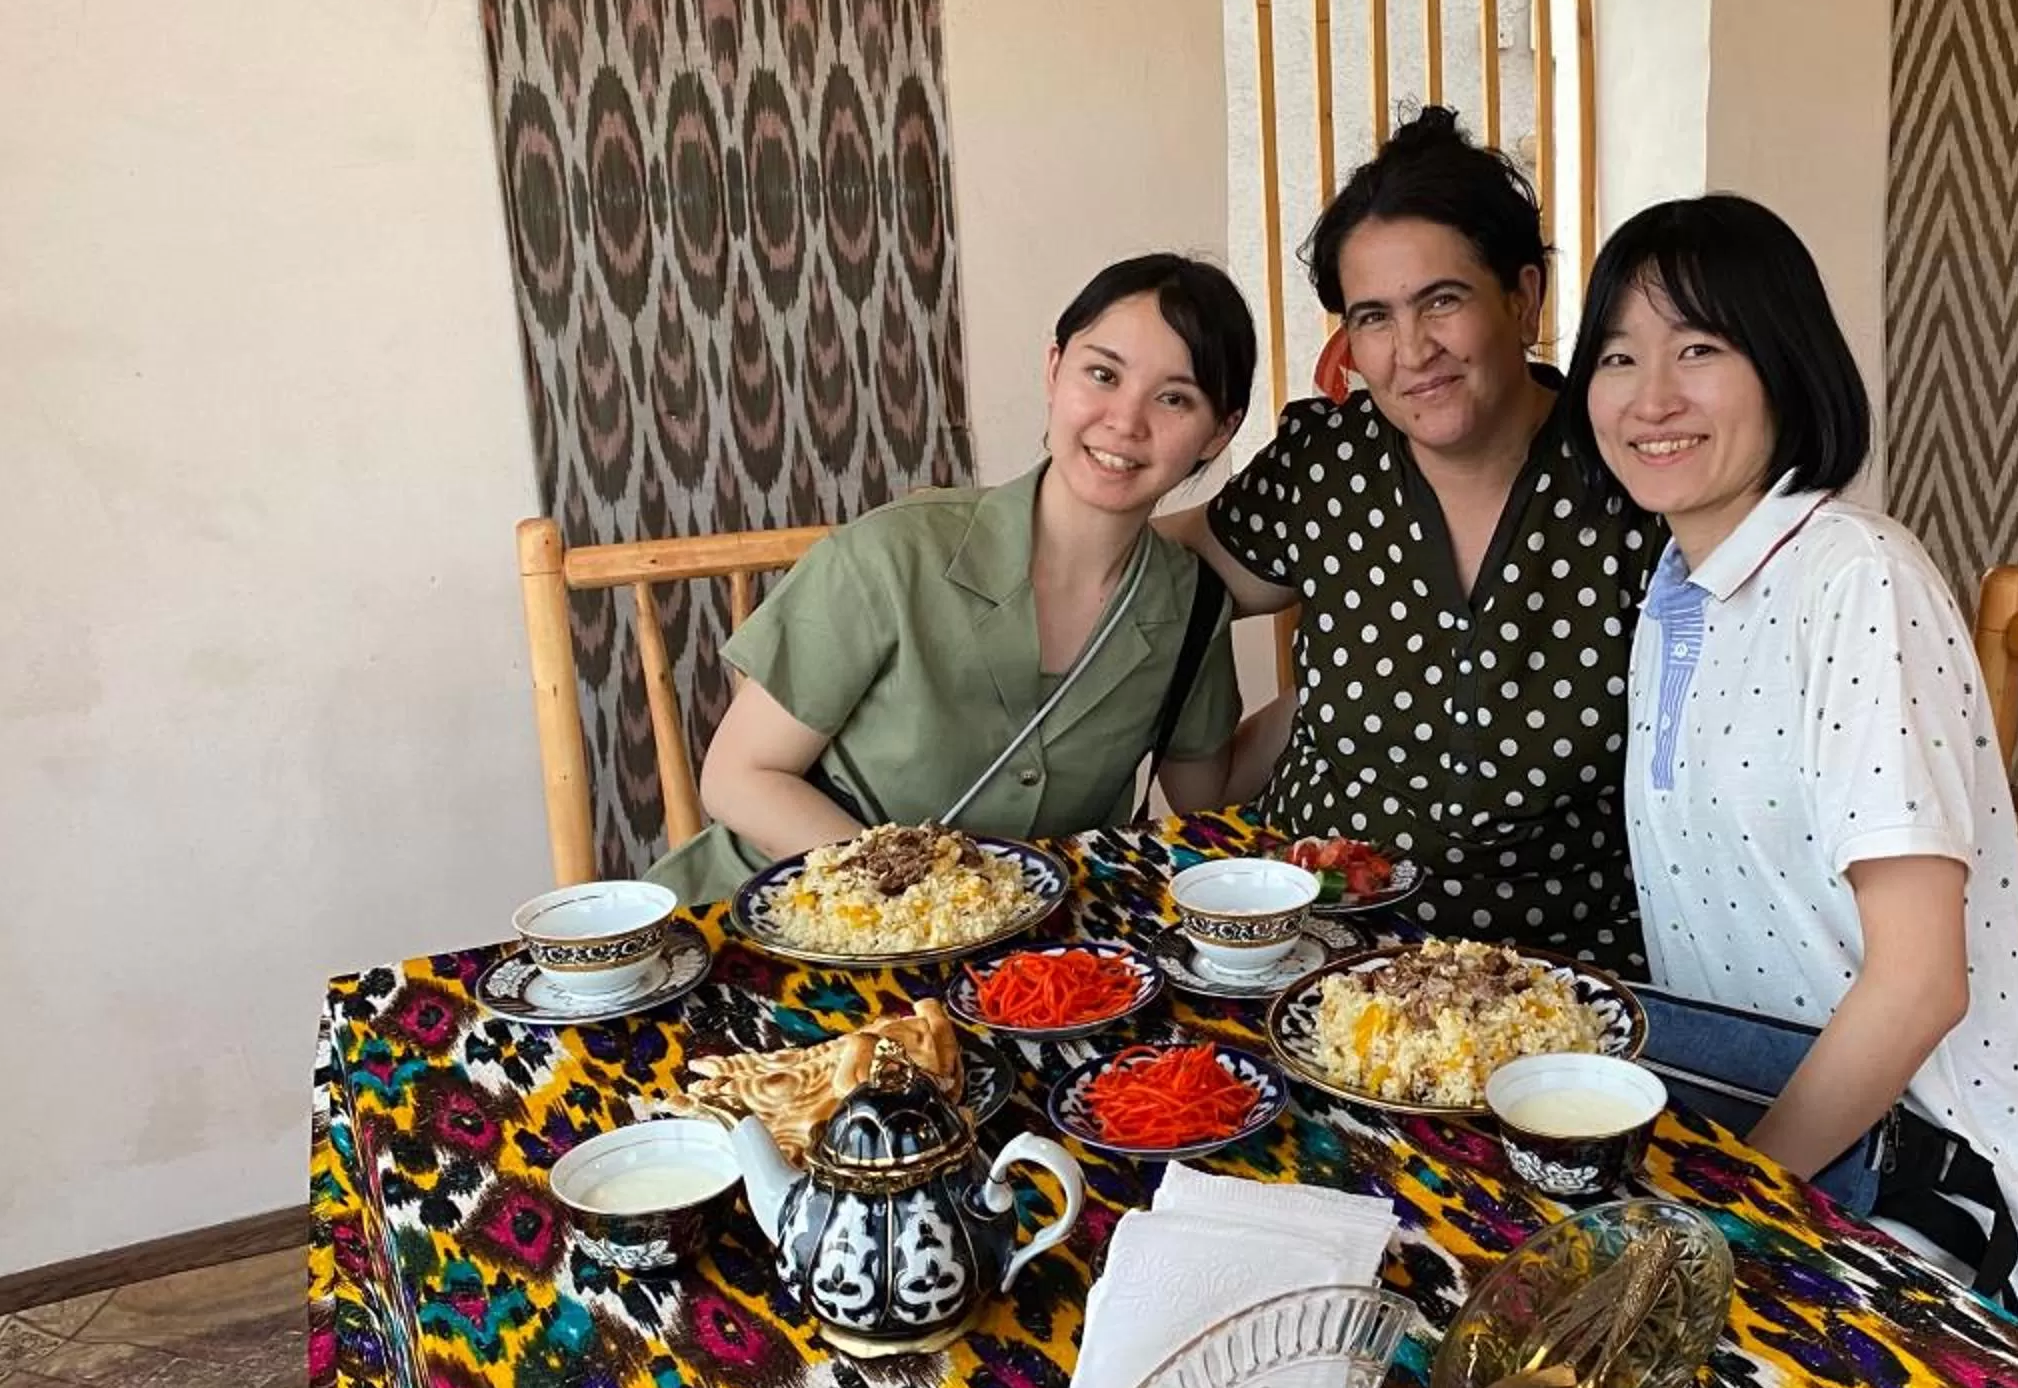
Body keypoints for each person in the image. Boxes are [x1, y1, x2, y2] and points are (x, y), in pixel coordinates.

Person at [1567, 194, 2018, 1334]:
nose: (1651, 397)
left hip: (1915, 1181)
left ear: (1787, 366)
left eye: (1700, 348)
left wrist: (1725, 1217)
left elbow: (1919, 984)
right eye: (1618, 355)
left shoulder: (1856, 582)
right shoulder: (1675, 592)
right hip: (1747, 1112)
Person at [1172, 109, 1661, 970]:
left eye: (1442, 301)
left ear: (1523, 295)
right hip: (1314, 946)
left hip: (1561, 971)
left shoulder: (1631, 479)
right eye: (1373, 318)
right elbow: (1159, 569)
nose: (1412, 352)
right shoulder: (1328, 466)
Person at [647, 254, 1255, 903]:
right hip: (771, 912)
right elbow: (741, 776)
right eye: (1102, 374)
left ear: (1220, 432)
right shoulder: (896, 554)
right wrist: (920, 904)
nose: (1126, 421)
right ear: (1055, 370)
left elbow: (1207, 796)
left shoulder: (1187, 607)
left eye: (1174, 398)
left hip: (1005, 965)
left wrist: (1352, 667)